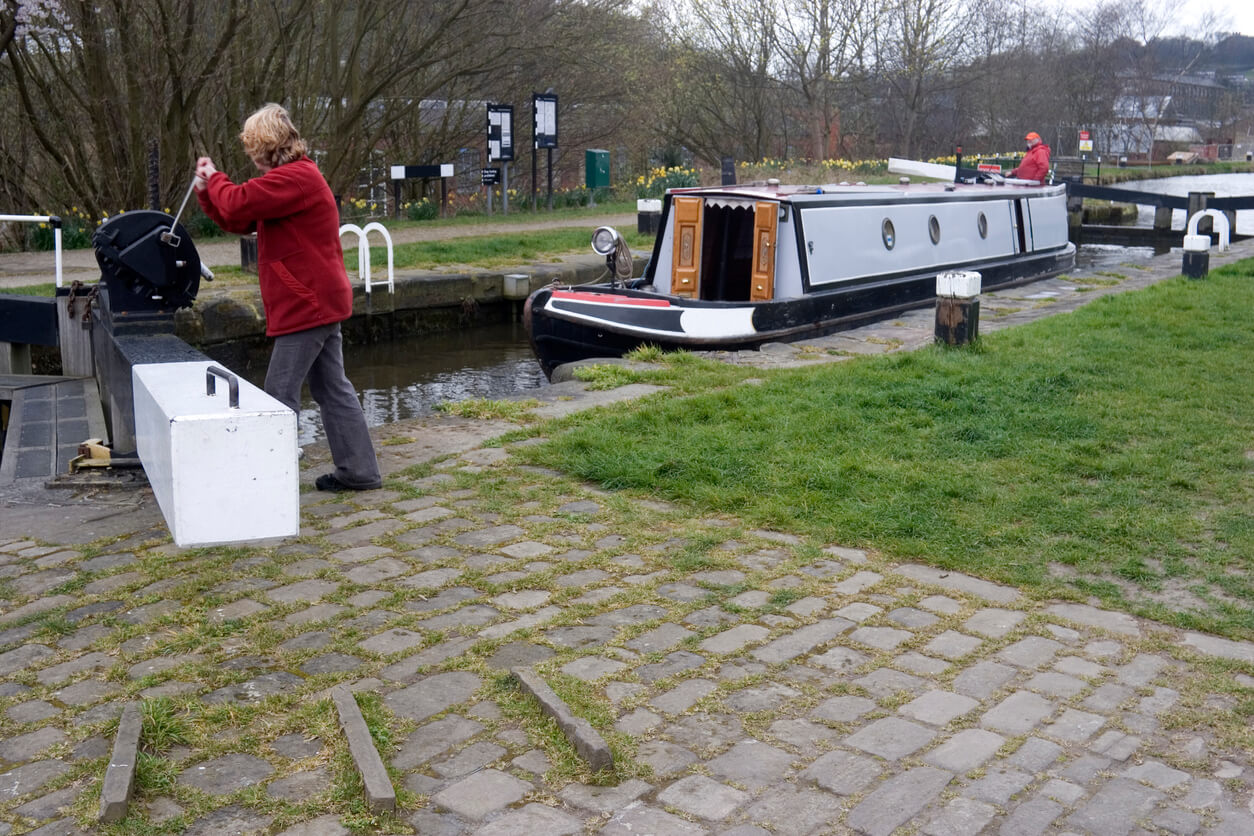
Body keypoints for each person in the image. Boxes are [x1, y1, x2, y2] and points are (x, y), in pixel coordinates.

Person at [194, 103, 382, 492]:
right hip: (319, 301)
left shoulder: (293, 179)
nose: (253, 159)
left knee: (278, 394)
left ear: (266, 147)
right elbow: (239, 218)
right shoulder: (293, 179)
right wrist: (207, 194)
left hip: (307, 304)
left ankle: (270, 485)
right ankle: (359, 470)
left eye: (253, 151)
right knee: (332, 388)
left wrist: (214, 179)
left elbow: (240, 201)